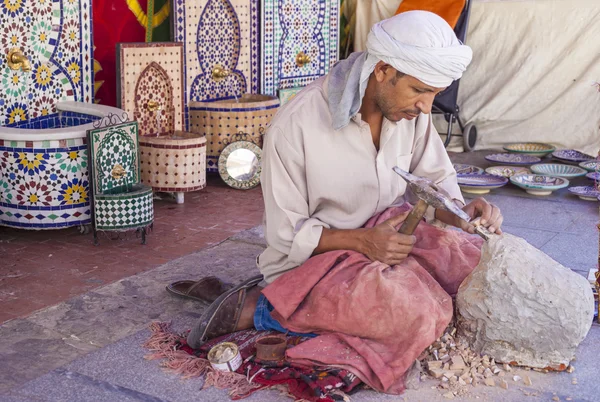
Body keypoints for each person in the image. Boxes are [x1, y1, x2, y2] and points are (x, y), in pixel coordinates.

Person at [185, 11, 503, 388]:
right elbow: (286, 235)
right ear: (383, 70)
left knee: (473, 265)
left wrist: (462, 214)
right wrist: (363, 242)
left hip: (385, 241)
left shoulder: (408, 114)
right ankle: (265, 307)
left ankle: (359, 299)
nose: (425, 107)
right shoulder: (296, 125)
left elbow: (435, 182)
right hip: (317, 261)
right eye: (420, 90)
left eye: (434, 94)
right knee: (416, 312)